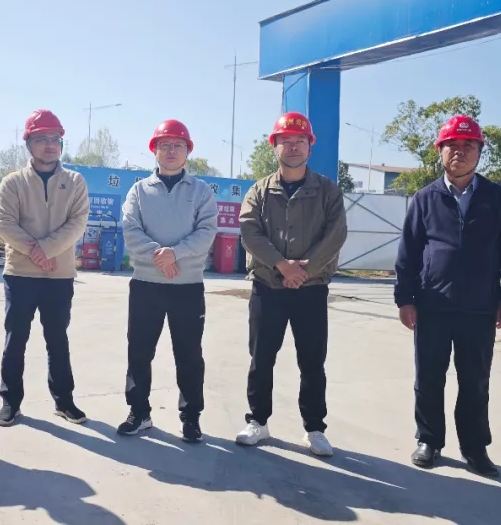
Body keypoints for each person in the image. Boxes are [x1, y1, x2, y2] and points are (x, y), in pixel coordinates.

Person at [394, 115, 501, 478]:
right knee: (429, 378)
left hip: (480, 309)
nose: (460, 152)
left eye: (469, 145)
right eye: (452, 145)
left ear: (480, 152)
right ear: (440, 151)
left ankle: (474, 447)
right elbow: (408, 255)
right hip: (432, 306)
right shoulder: (425, 199)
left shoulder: (497, 199)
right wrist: (405, 299)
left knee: (475, 382)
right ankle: (429, 440)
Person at [235, 111, 348, 457]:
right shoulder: (259, 190)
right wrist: (282, 265)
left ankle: (314, 428)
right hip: (267, 286)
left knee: (312, 360)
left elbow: (335, 234)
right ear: (275, 146)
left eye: (300, 141)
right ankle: (258, 421)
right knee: (261, 357)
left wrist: (305, 270)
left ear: (310, 146)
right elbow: (249, 231)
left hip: (311, 289)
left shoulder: (327, 191)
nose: (293, 147)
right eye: (286, 141)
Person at [117, 119, 218, 442]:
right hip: (146, 285)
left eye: (178, 145)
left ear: (188, 151)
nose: (171, 151)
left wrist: (175, 254)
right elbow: (131, 230)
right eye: (165, 145)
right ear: (154, 150)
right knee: (139, 351)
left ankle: (190, 418)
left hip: (187, 287)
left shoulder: (201, 191)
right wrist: (160, 257)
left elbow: (206, 232)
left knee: (189, 355)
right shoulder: (139, 191)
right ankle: (139, 412)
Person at [0, 109, 90, 427]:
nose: (50, 145)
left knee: (57, 339)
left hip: (59, 275)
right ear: (28, 143)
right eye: (42, 139)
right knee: (15, 339)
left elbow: (77, 223)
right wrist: (36, 253)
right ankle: (10, 402)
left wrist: (45, 250)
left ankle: (64, 401)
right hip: (20, 274)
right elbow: (4, 224)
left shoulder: (74, 182)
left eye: (55, 139)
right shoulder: (13, 183)